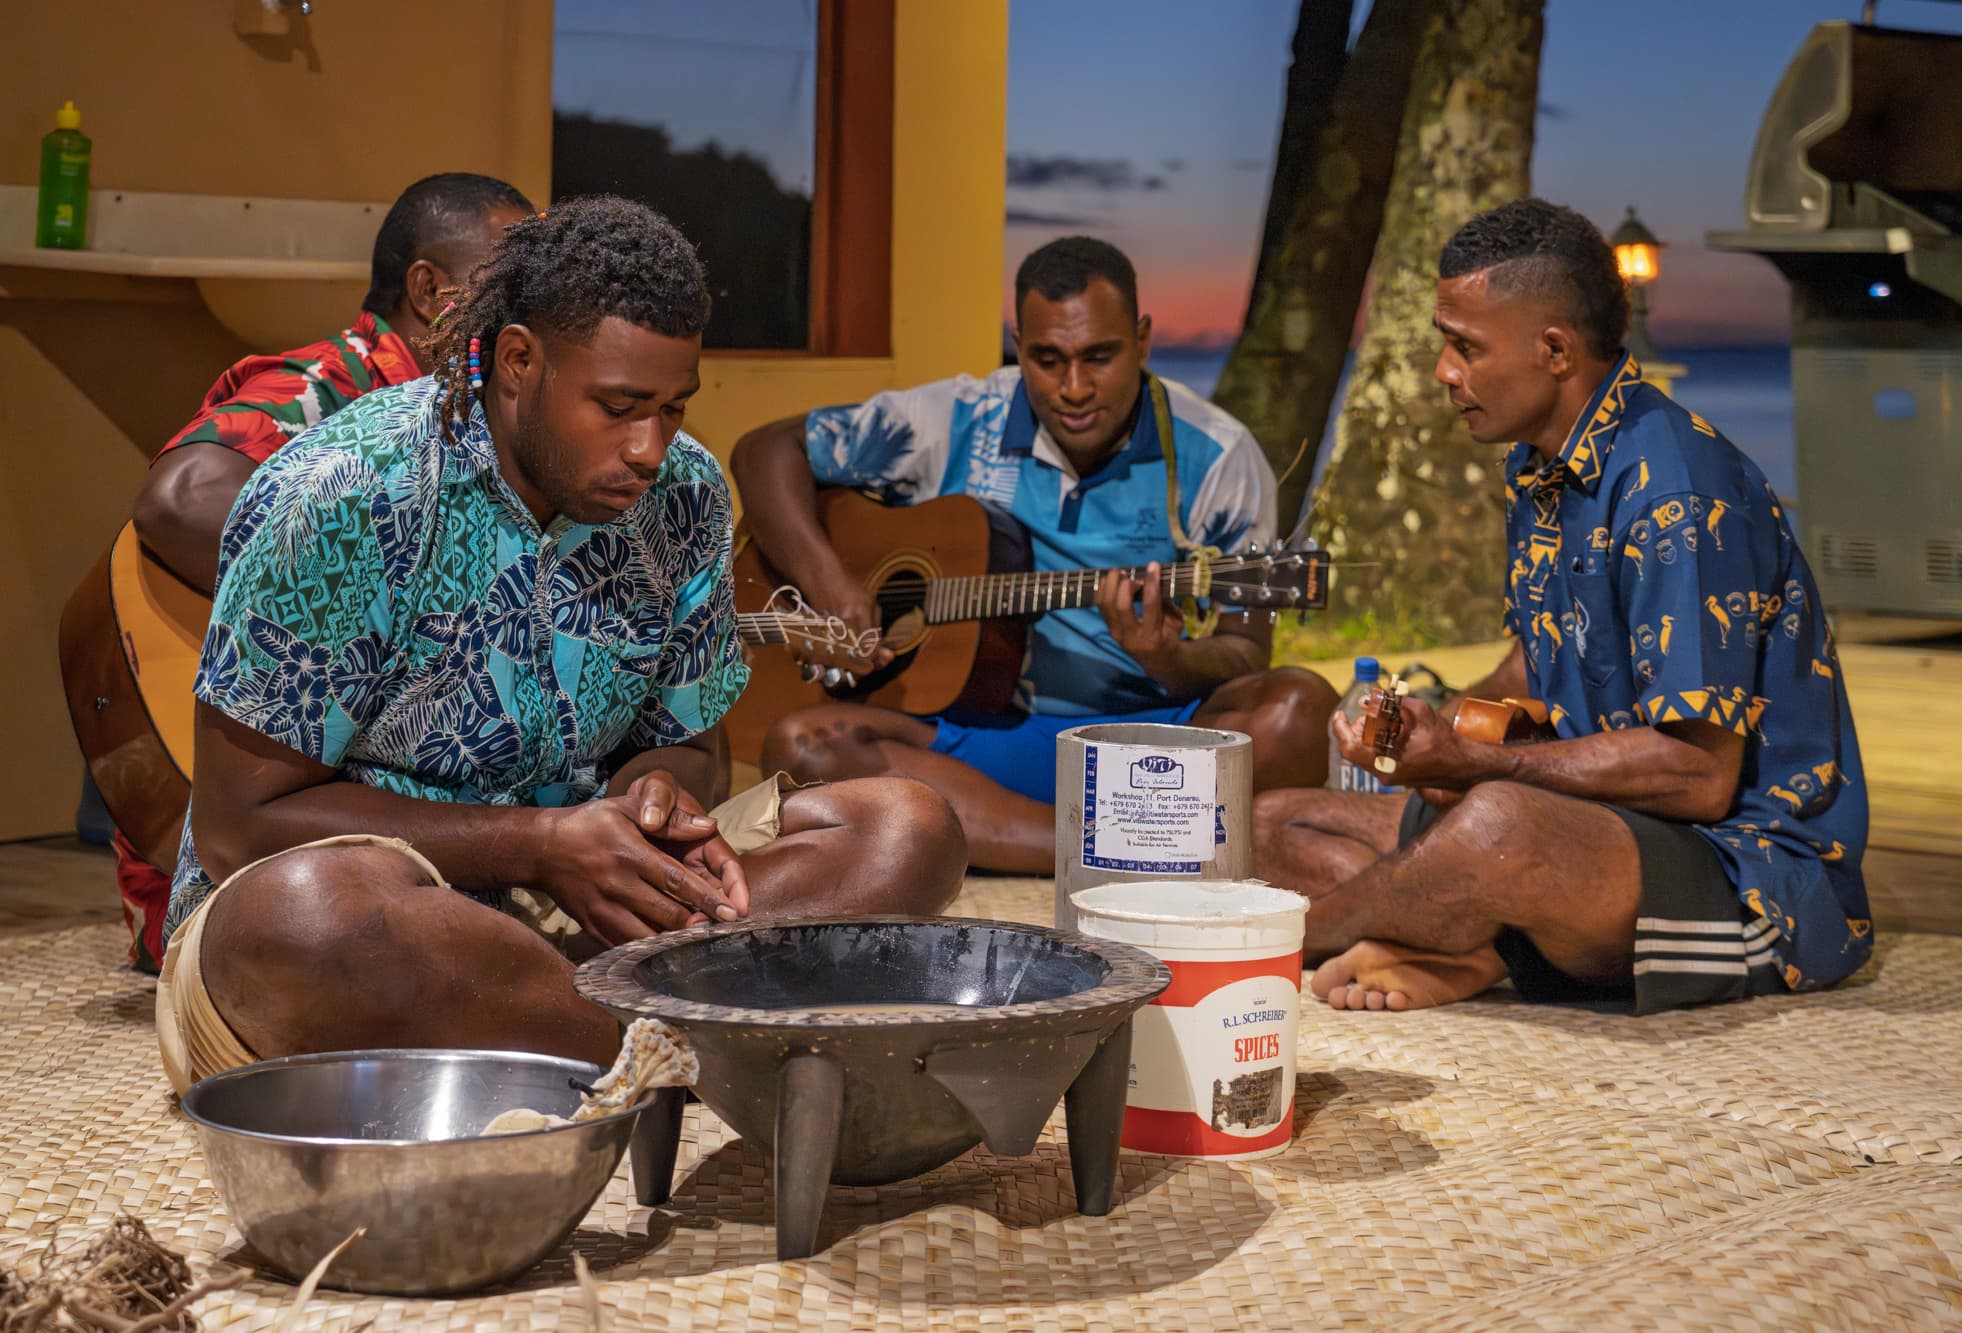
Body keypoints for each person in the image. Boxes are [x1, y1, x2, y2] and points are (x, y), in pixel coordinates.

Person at [153, 197, 967, 1092]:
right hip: (391, 915)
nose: (651, 446)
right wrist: (541, 844)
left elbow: (691, 742)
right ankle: (701, 1041)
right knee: (302, 922)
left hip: (582, 911)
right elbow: (239, 829)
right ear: (517, 361)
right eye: (618, 407)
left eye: (674, 408)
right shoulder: (344, 493)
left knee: (907, 829)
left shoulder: (684, 494)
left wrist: (656, 803)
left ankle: (582, 1032)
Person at [1255, 198, 1871, 1016]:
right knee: (1275, 824)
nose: (1443, 370)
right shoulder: (1539, 467)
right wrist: (1426, 725)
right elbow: (1536, 660)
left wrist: (1479, 767)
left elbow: (1697, 775)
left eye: (1464, 345)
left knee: (1501, 825)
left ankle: (1277, 946)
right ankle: (1465, 939)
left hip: (1748, 872)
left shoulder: (1677, 492)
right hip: (1589, 823)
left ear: (1553, 350)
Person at [735, 237, 1337, 873]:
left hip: (1148, 746)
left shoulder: (1218, 455)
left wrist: (1167, 656)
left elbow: (1245, 654)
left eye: (1099, 357)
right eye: (1047, 360)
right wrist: (828, 581)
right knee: (803, 746)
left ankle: (1005, 837)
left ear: (1143, 340)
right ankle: (1115, 849)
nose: (1073, 388)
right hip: (974, 743)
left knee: (1298, 712)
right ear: (1019, 345)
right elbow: (764, 452)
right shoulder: (955, 417)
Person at [113, 172, 533, 973]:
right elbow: (179, 498)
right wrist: (370, 602)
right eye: (508, 280)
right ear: (429, 288)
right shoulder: (329, 384)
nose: (531, 300)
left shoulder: (480, 416)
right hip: (252, 842)